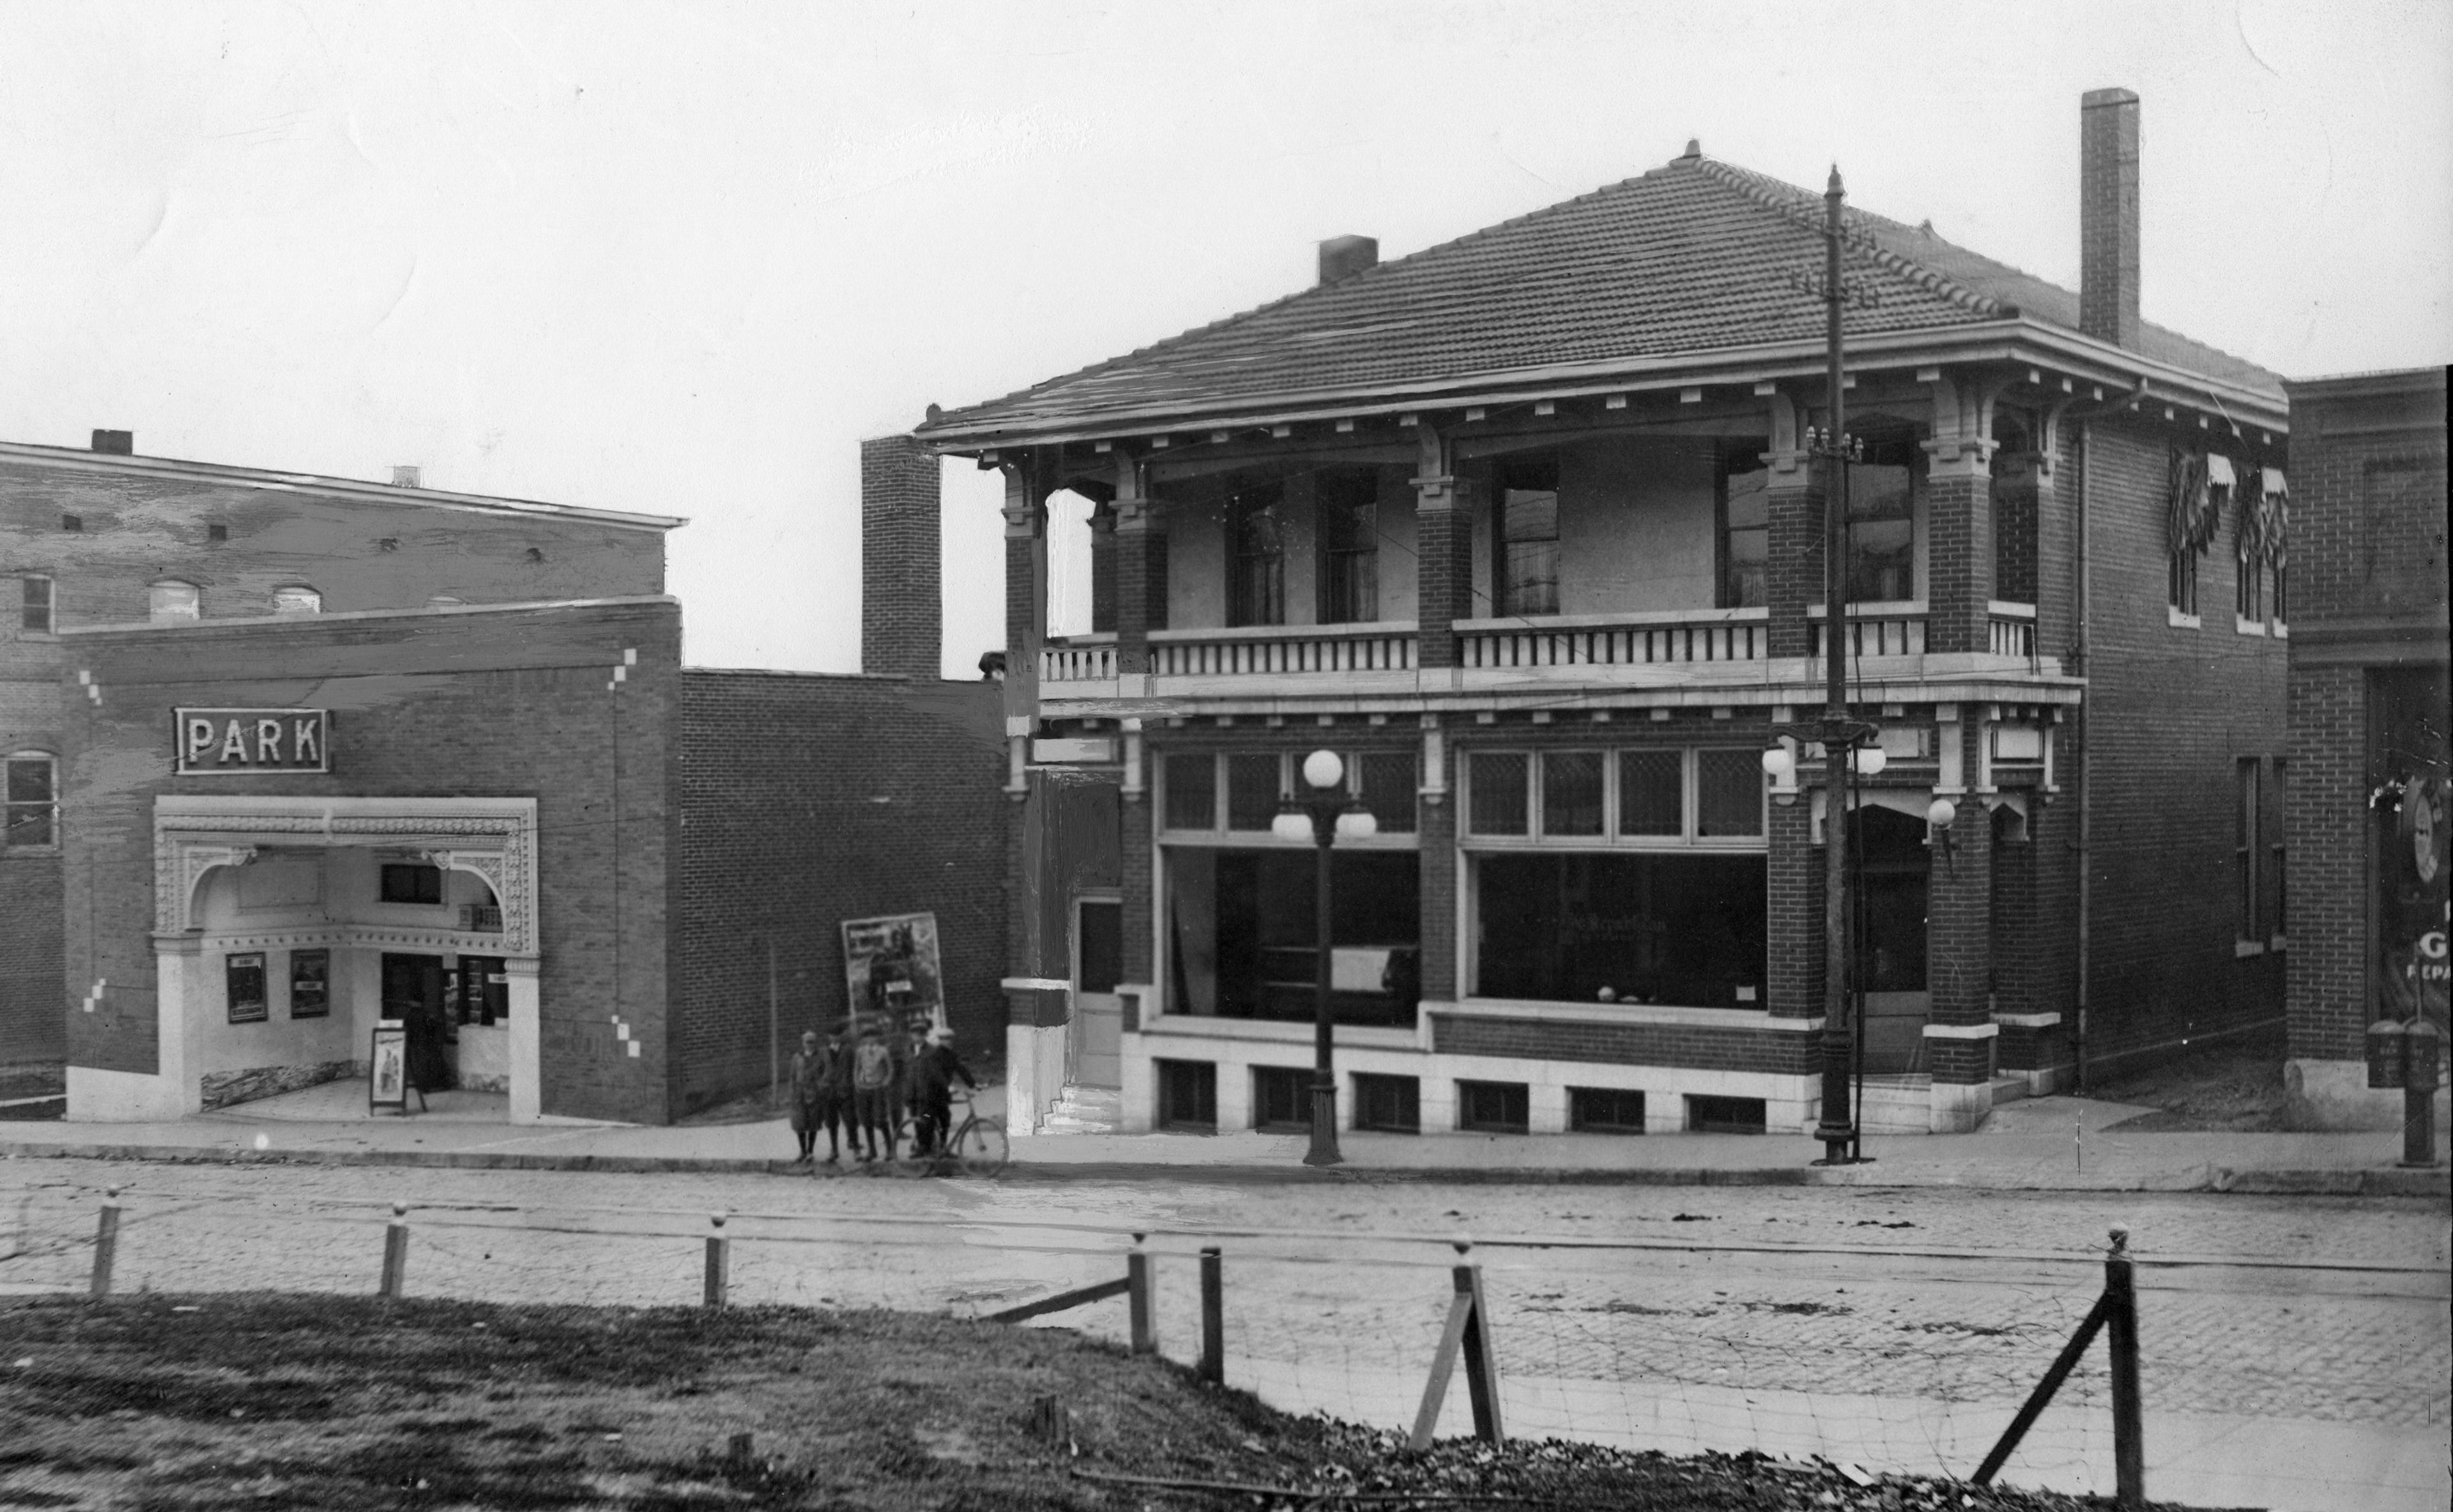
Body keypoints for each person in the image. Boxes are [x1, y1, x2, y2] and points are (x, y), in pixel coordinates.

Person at [906, 1027, 978, 1157]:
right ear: (939, 1040)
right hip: (928, 1094)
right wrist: (948, 1086)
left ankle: (943, 1149)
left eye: (950, 1040)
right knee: (928, 1119)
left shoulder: (951, 1055)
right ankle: (923, 1148)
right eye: (945, 1040)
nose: (949, 1042)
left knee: (946, 1119)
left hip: (941, 1095)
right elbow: (936, 1073)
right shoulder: (932, 1054)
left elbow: (961, 1069)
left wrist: (973, 1085)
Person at [850, 1018, 900, 1162]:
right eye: (866, 1036)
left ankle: (890, 1149)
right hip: (865, 1088)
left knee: (880, 1119)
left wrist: (886, 1081)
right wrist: (857, 1082)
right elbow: (856, 1068)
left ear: (877, 1037)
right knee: (867, 1120)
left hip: (878, 1088)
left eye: (872, 1035)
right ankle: (872, 1150)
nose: (869, 1039)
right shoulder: (860, 1051)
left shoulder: (883, 1051)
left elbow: (890, 1069)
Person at [813, 1022, 854, 1164]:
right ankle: (834, 1149)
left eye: (837, 1035)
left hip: (845, 1090)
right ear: (828, 1037)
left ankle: (856, 1148)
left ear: (841, 1036)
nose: (835, 1038)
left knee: (850, 1120)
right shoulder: (823, 1052)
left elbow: (856, 1068)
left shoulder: (848, 1050)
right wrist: (821, 1084)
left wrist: (857, 1083)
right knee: (832, 1122)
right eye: (832, 1035)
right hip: (829, 1092)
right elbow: (818, 1070)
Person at [785, 1030, 824, 1163]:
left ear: (815, 1043)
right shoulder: (797, 1057)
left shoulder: (820, 1057)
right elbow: (792, 1076)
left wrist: (819, 1088)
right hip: (799, 1094)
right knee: (800, 1123)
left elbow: (824, 1073)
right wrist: (792, 1093)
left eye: (812, 1042)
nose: (809, 1045)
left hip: (814, 1093)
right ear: (803, 1043)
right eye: (807, 1042)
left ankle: (810, 1152)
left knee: (813, 1123)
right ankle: (802, 1151)